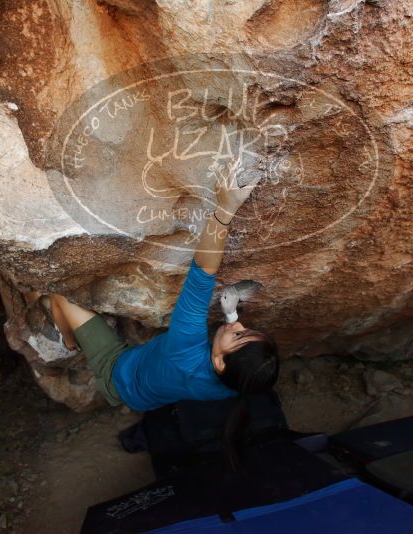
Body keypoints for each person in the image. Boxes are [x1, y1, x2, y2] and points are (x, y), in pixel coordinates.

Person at [42, 157, 280, 468]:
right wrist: (231, 319)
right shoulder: (230, 385)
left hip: (116, 372)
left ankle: (70, 338)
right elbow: (235, 357)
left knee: (59, 296)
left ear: (220, 362)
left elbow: (202, 275)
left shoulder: (186, 346)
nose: (239, 325)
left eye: (239, 334)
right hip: (148, 395)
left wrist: (225, 209)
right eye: (246, 329)